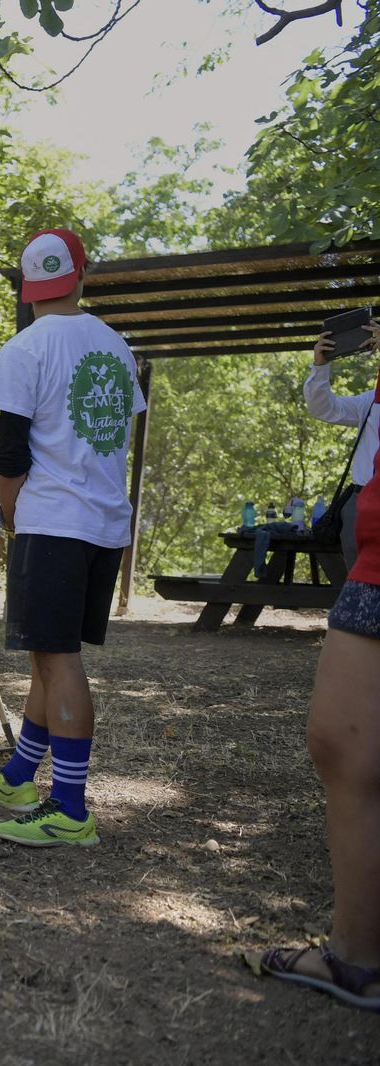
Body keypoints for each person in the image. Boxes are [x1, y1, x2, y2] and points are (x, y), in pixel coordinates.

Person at [0, 228, 145, 847]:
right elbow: (113, 433)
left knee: (58, 660)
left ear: (27, 287)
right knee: (50, 652)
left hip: (54, 519)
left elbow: (11, 454)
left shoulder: (26, 348)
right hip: (103, 522)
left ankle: (69, 807)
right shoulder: (115, 345)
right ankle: (19, 777)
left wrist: (10, 511)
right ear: (81, 276)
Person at [254, 318, 380, 1012]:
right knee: (343, 748)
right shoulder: (375, 397)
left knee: (346, 748)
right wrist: (322, 364)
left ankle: (357, 958)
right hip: (370, 539)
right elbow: (325, 408)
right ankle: (356, 958)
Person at [305, 325, 379, 568]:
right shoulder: (370, 401)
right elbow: (324, 409)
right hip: (361, 502)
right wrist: (320, 366)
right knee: (358, 580)